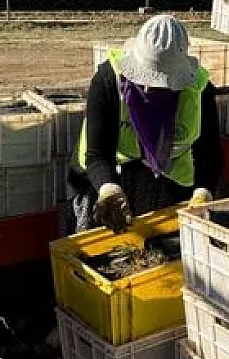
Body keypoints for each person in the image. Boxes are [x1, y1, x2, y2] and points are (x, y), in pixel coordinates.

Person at [71, 14, 221, 233]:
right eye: (144, 79)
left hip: (169, 182)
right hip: (109, 175)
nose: (149, 89)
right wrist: (109, 189)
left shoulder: (199, 91)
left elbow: (209, 154)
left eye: (159, 82)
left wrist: (203, 192)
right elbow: (97, 154)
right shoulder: (106, 81)